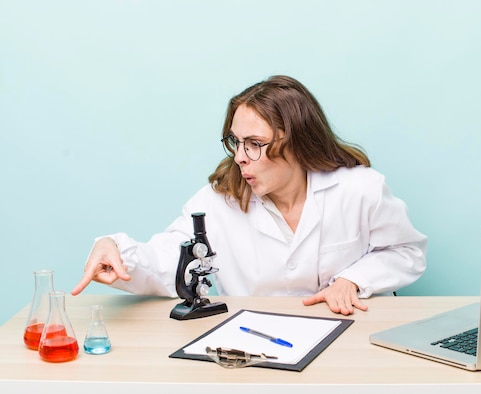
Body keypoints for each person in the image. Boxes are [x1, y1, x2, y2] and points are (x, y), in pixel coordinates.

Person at [71, 75, 427, 315]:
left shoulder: (359, 188)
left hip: (348, 340)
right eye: (236, 142)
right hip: (258, 345)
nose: (240, 156)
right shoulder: (217, 201)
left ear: (296, 142)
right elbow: (172, 260)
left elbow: (405, 252)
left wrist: (354, 279)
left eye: (254, 144)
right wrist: (119, 252)